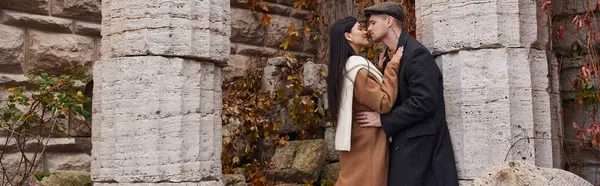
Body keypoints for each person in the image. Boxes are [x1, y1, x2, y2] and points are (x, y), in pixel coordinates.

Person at [355, 2, 459, 186]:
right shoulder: (388, 57)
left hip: (421, 150)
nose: (369, 28)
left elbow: (425, 101)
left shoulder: (416, 53)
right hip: (405, 145)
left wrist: (383, 120)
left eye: (372, 23)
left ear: (389, 21)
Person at [327, 16, 403, 186]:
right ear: (348, 36)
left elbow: (364, 95)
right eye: (360, 28)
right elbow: (384, 103)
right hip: (368, 143)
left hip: (358, 141)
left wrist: (379, 70)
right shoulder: (357, 70)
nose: (366, 31)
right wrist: (393, 67)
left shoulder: (345, 66)